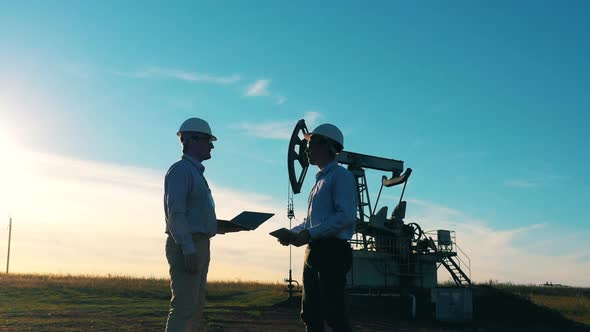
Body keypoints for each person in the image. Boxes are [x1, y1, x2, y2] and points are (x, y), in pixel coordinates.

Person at [280, 123, 357, 332]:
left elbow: (346, 216)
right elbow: (312, 221)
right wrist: (293, 233)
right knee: (311, 314)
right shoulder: (320, 181)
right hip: (315, 252)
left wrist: (309, 233)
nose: (307, 149)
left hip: (332, 252)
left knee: (333, 314)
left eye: (312, 143)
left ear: (329, 147)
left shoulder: (341, 177)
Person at [164, 117, 239, 332]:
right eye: (208, 140)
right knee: (184, 306)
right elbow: (176, 214)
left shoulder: (194, 173)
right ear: (192, 140)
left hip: (198, 243)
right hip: (188, 244)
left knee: (195, 307)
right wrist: (188, 249)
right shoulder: (181, 171)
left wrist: (224, 226)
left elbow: (193, 216)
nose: (212, 145)